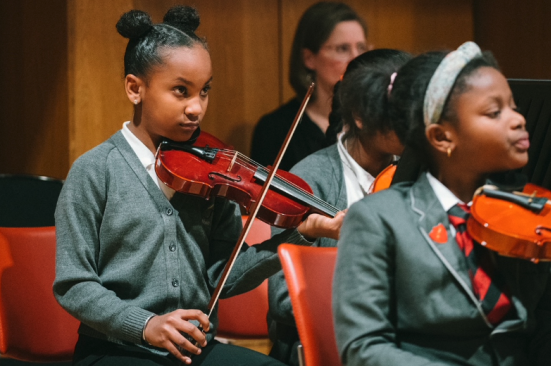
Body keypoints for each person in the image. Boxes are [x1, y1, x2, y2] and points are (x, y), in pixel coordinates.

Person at [332, 42, 551, 366]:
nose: (518, 120)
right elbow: (365, 349)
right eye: (494, 112)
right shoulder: (379, 218)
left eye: (514, 107)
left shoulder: (535, 220)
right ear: (442, 137)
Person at [53, 6, 342, 366]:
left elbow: (224, 277)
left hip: (193, 350)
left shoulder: (214, 174)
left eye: (204, 91)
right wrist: (147, 325)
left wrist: (300, 234)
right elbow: (74, 285)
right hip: (117, 348)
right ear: (134, 88)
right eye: (180, 91)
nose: (196, 108)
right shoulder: (95, 171)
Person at [266, 48, 411, 366]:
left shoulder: (414, 174)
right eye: (396, 113)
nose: (411, 123)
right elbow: (282, 298)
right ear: (360, 116)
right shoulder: (309, 179)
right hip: (324, 348)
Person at [250, 1, 368, 171]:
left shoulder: (375, 121)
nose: (356, 59)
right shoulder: (276, 129)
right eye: (343, 49)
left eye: (361, 48)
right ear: (309, 58)